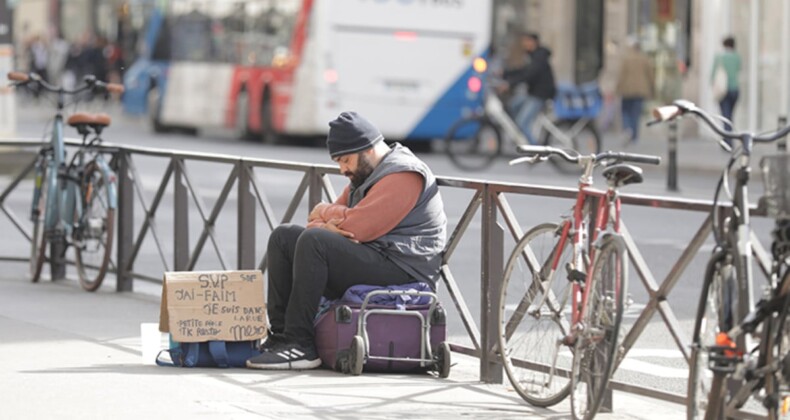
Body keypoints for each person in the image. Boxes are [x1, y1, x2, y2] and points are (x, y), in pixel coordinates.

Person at [246, 111, 447, 370]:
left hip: (405, 270)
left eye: (345, 160)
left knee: (316, 242)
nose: (342, 170)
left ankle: (301, 344)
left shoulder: (403, 174)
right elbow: (315, 223)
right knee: (284, 237)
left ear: (367, 149)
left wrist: (325, 211)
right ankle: (282, 339)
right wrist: (331, 219)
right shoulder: (366, 174)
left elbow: (356, 228)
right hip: (375, 255)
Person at [501, 32, 557, 144]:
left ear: (533, 42)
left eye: (526, 42)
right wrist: (505, 74)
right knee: (513, 105)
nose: (524, 44)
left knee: (522, 122)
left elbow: (529, 74)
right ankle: (519, 137)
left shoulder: (539, 57)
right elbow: (523, 70)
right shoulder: (533, 56)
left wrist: (510, 84)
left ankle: (535, 150)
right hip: (532, 93)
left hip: (540, 95)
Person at [615, 36, 654, 144]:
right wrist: (652, 89)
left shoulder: (626, 59)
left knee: (625, 111)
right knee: (635, 113)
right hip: (641, 90)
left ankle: (627, 128)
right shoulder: (644, 59)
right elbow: (651, 76)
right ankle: (634, 136)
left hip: (627, 90)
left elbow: (621, 75)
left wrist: (617, 89)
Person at [712, 36, 741, 132]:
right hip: (735, 89)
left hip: (723, 90)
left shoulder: (719, 57)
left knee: (725, 116)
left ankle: (728, 142)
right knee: (730, 115)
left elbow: (712, 75)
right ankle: (729, 138)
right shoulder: (737, 57)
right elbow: (739, 70)